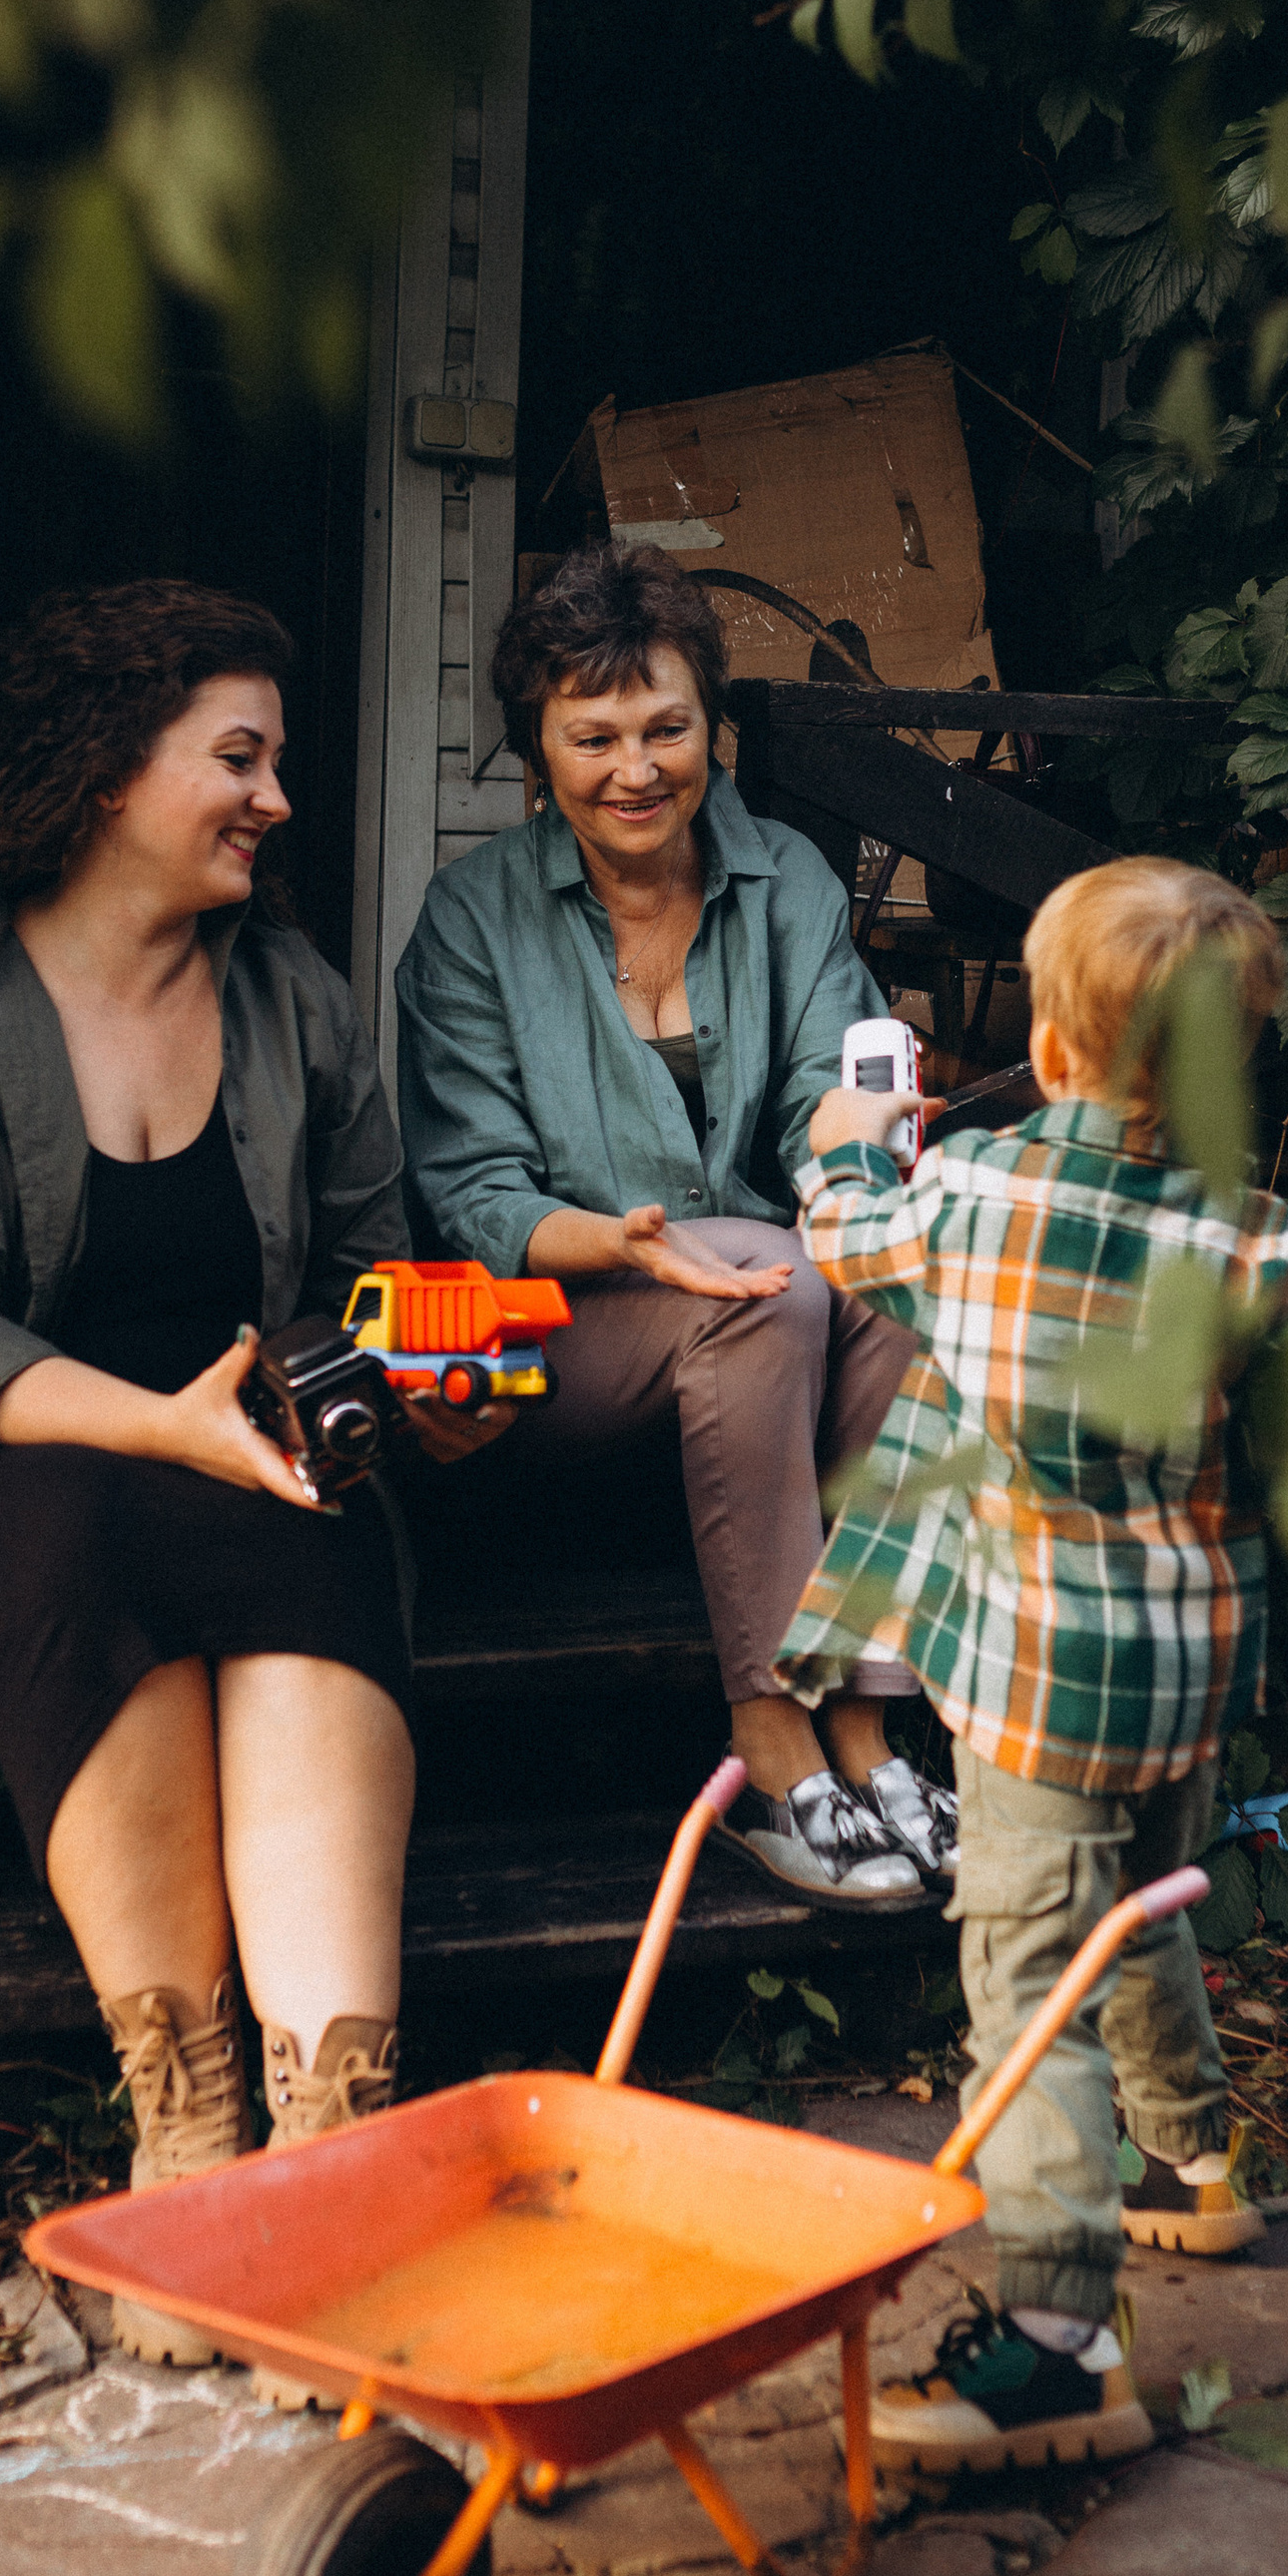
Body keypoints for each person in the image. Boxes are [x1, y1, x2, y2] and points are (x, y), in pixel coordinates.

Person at [0, 580, 434, 2364]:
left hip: (244, 1473)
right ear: (105, 772)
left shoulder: (296, 1002)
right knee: (73, 1521)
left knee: (319, 1514)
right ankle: (186, 2124)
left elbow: (367, 1281)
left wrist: (417, 1389)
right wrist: (157, 1422)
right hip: (0, 1488)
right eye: (237, 758)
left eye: (279, 763)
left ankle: (333, 2135)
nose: (277, 799)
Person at [776, 856, 1288, 2471]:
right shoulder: (1264, 1247)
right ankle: (1189, 2164)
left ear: (1047, 1052)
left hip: (1034, 1679)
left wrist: (839, 1146)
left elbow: (844, 1240)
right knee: (1134, 1920)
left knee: (1028, 1994)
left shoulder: (969, 1196)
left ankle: (1054, 2341)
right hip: (1188, 1677)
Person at [393, 542, 953, 1904]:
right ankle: (768, 1747)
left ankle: (868, 1730)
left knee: (877, 1279)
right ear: (538, 750)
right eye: (593, 737)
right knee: (769, 1280)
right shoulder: (473, 920)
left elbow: (827, 1100)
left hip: (768, 1319)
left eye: (666, 728)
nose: (635, 769)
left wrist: (861, 1147)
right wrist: (626, 1242)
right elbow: (472, 1193)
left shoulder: (792, 887)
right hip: (559, 1333)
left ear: (715, 730)